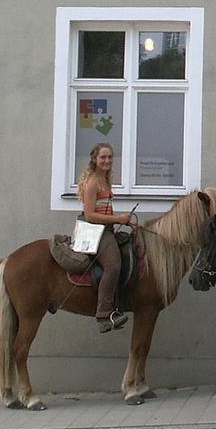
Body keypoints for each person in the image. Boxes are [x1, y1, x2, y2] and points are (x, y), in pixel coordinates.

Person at [77, 142, 131, 333]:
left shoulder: (105, 180)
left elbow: (104, 208)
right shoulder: (92, 182)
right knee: (113, 265)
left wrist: (125, 221)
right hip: (94, 230)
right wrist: (118, 219)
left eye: (109, 157)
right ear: (94, 159)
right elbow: (90, 214)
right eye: (103, 157)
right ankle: (103, 315)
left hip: (106, 228)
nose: (107, 160)